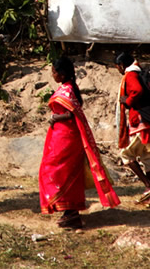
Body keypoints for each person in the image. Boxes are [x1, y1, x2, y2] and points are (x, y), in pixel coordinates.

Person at [39, 56, 120, 229]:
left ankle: (71, 212)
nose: (52, 74)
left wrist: (55, 117)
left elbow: (73, 114)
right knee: (65, 172)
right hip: (61, 136)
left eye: (54, 71)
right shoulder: (67, 89)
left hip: (67, 137)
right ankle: (69, 212)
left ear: (61, 73)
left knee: (59, 171)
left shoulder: (68, 91)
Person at [115, 50, 150, 206]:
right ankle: (149, 197)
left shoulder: (131, 75)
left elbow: (137, 91)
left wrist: (128, 101)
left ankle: (149, 186)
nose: (119, 71)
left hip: (142, 124)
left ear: (121, 65)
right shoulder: (142, 74)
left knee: (126, 155)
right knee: (148, 159)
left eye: (118, 67)